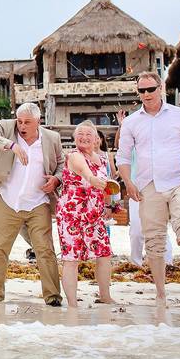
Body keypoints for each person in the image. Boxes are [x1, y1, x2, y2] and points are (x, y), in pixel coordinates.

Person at [116, 71, 180, 306]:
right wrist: (128, 183)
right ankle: (160, 292)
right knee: (154, 241)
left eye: (151, 89)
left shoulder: (179, 115)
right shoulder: (131, 122)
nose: (146, 94)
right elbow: (123, 156)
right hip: (148, 186)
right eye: (142, 91)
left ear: (161, 89)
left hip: (179, 182)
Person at [0, 102, 64, 305]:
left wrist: (56, 180)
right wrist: (11, 145)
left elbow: (60, 163)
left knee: (45, 250)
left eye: (27, 122)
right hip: (8, 200)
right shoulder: (7, 128)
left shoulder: (52, 138)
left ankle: (52, 297)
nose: (22, 126)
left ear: (38, 122)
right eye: (20, 121)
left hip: (38, 203)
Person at [57, 121, 114, 307]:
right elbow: (83, 170)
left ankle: (105, 295)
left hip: (95, 215)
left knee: (104, 254)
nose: (84, 137)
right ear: (74, 138)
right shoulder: (74, 155)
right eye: (80, 134)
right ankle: (72, 303)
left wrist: (108, 207)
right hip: (72, 214)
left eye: (88, 134)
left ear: (97, 139)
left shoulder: (103, 160)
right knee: (71, 258)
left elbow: (108, 186)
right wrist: (91, 179)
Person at [117, 111, 173, 267]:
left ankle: (167, 261)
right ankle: (136, 261)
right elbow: (119, 147)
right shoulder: (130, 145)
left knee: (159, 226)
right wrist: (123, 126)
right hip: (137, 189)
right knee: (136, 228)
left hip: (157, 188)